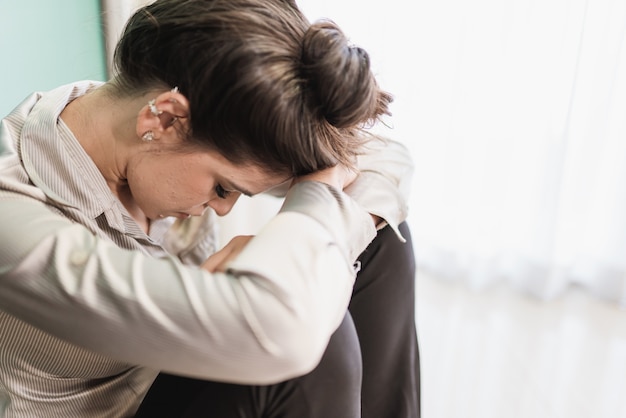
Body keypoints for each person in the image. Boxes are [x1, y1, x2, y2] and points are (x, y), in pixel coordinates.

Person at [0, 0, 418, 417]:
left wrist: (319, 195)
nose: (222, 210)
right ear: (164, 120)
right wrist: (310, 215)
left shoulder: (139, 133)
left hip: (177, 382)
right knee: (317, 330)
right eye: (222, 188)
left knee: (377, 244)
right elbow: (284, 332)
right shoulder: (10, 204)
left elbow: (383, 157)